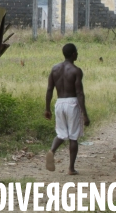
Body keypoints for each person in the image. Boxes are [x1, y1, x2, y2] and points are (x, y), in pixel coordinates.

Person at [44, 43, 90, 175]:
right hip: (72, 103)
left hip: (59, 103)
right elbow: (80, 93)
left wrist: (47, 108)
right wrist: (85, 114)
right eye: (77, 52)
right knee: (73, 137)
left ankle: (52, 151)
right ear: (74, 54)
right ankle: (71, 168)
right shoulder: (76, 70)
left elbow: (49, 90)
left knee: (61, 134)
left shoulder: (54, 69)